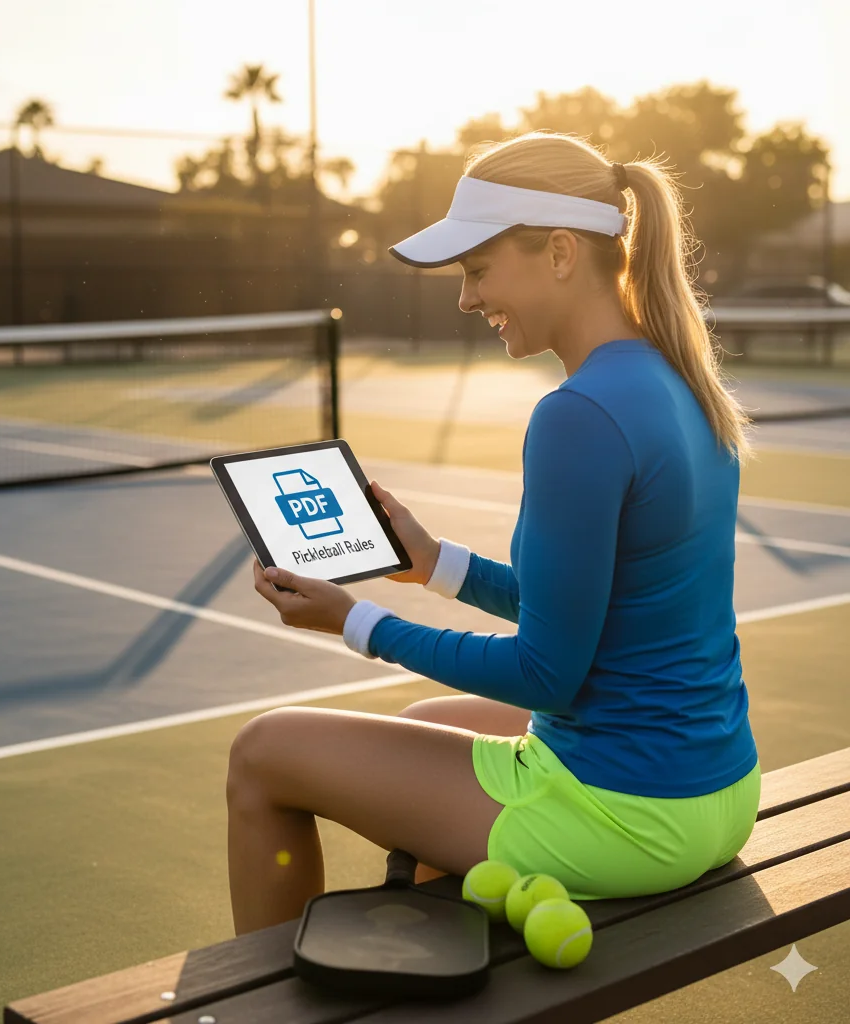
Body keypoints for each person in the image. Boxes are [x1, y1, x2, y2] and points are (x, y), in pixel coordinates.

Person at [227, 130, 762, 937]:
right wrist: (436, 564)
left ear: (559, 252)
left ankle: (260, 994)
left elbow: (546, 673)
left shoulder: (577, 415)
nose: (467, 299)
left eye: (477, 270)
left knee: (263, 750)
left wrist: (356, 621)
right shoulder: (680, 379)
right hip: (717, 792)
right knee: (419, 725)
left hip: (624, 816)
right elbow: (598, 609)